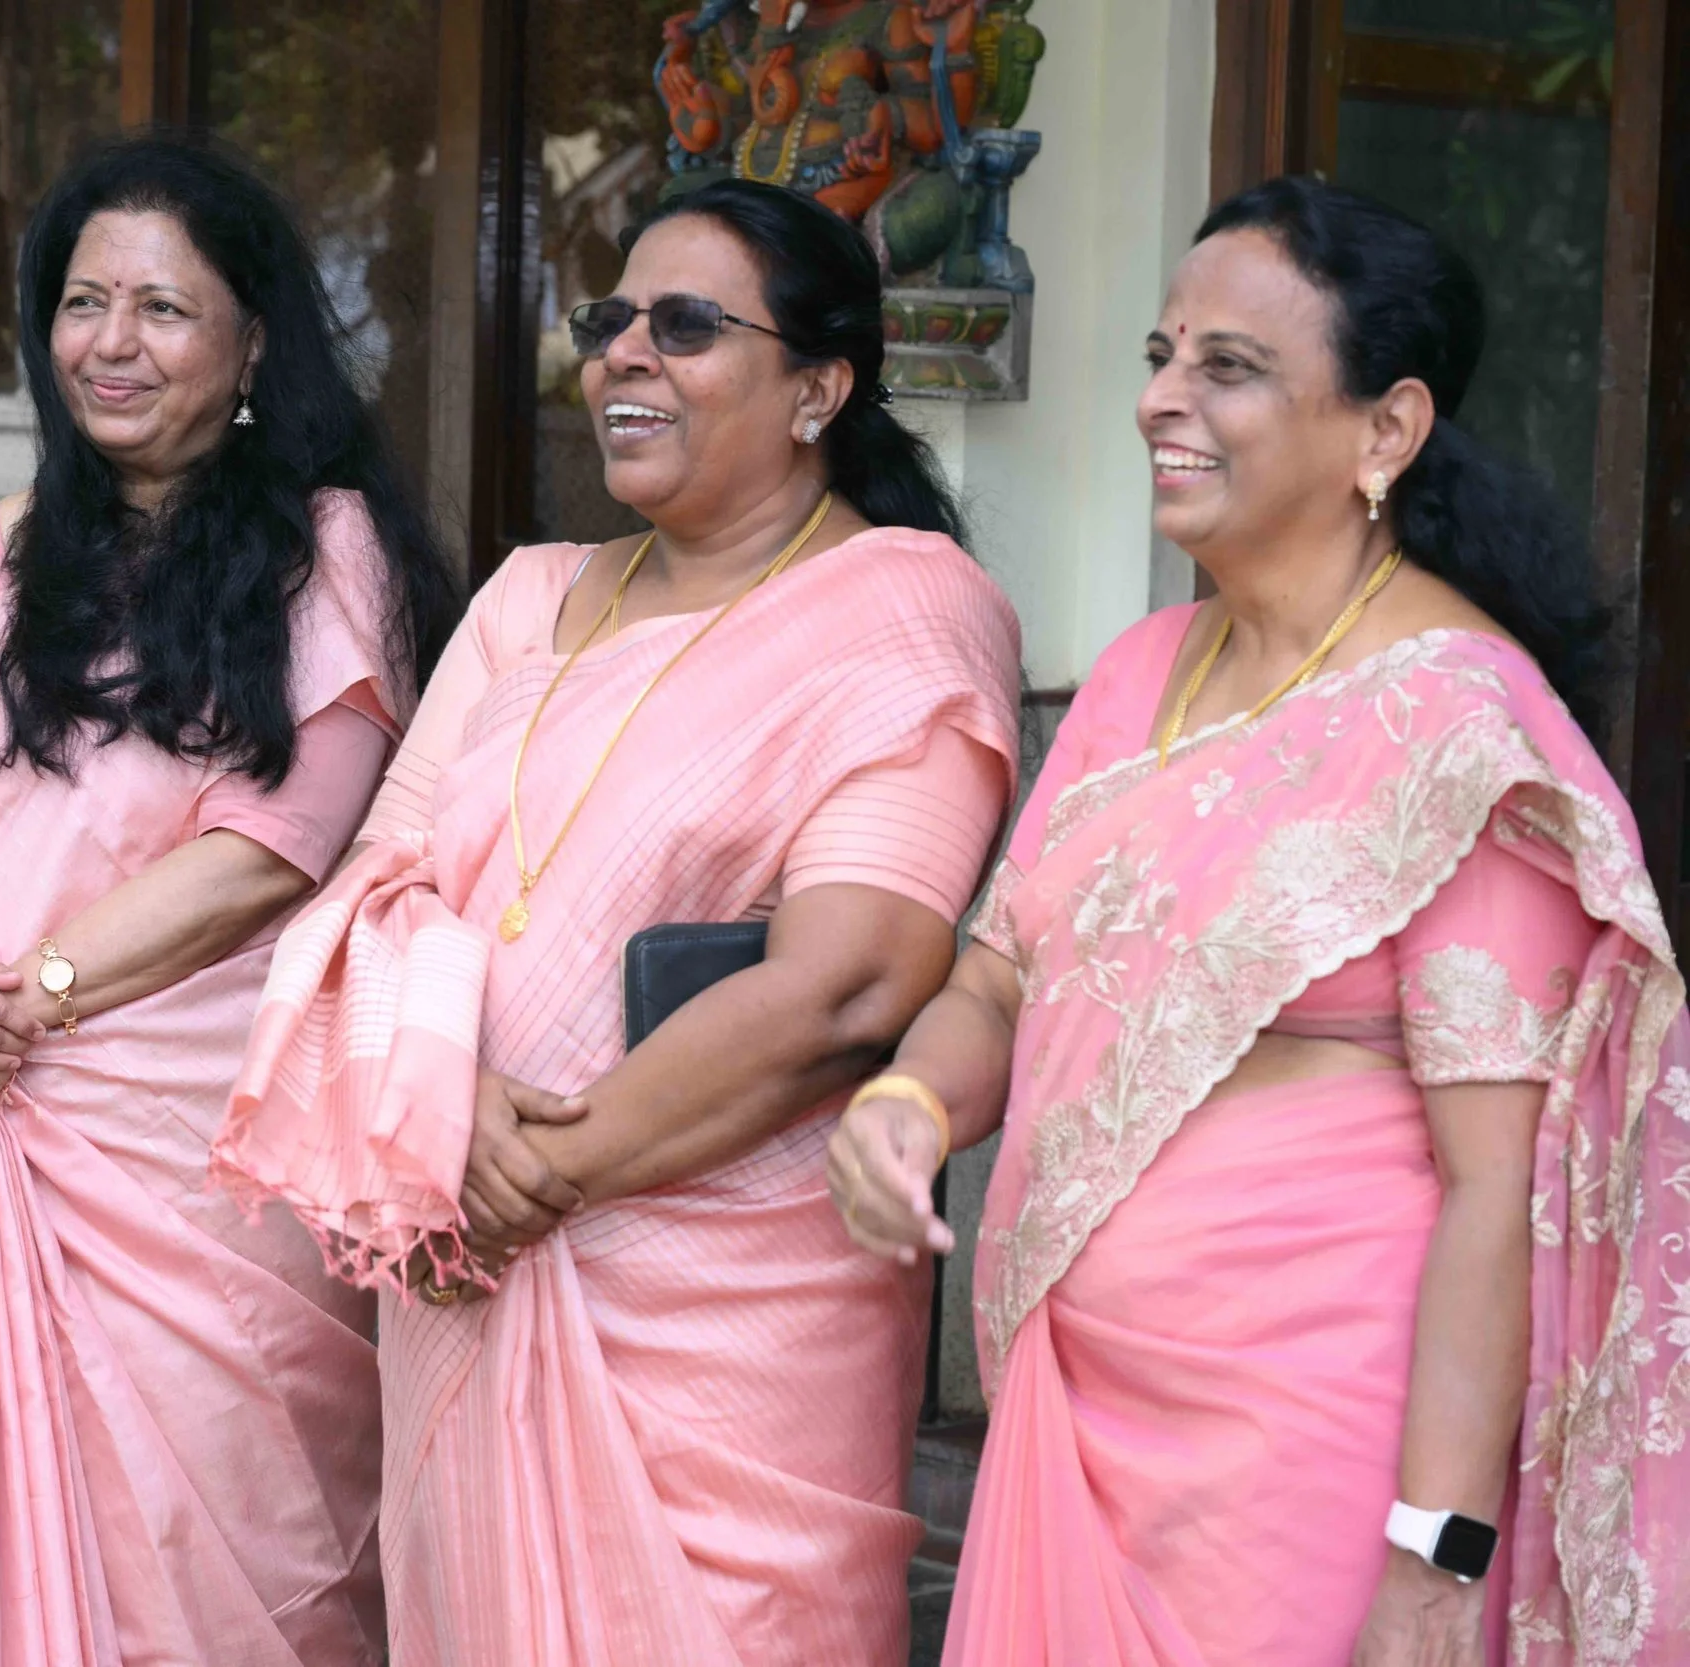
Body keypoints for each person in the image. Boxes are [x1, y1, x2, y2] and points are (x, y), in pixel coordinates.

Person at [827, 175, 1690, 1666]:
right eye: (1162, 355)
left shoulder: (1458, 727)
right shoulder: (1135, 676)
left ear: (1386, 430)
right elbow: (995, 976)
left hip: (1311, 1457)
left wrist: (1437, 1557)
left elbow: (1503, 1191)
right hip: (1076, 1423)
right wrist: (909, 1098)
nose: (1164, 397)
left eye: (1227, 367)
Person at [213, 178, 1022, 1666]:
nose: (625, 355)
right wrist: (438, 1122)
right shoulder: (530, 597)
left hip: (726, 1315)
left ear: (817, 389)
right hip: (458, 1247)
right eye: (610, 321)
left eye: (689, 326)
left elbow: (850, 980)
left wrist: (529, 1176)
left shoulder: (903, 611)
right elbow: (369, 896)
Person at [0, 136, 458, 1665]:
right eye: (84, 301)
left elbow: (270, 848)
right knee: (6, 1539)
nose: (113, 343)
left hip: (195, 1159)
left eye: (164, 308)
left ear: (252, 341)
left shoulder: (332, 553)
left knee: (224, 1549)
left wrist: (17, 1002)